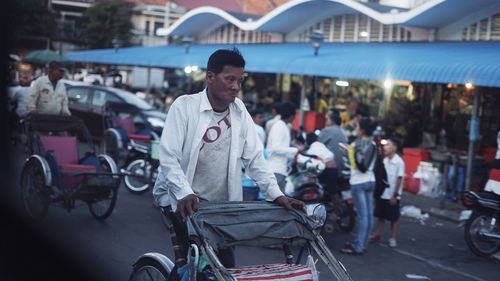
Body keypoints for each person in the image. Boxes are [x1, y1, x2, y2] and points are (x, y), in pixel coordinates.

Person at [152, 48, 304, 269]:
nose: (235, 86)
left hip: (220, 207)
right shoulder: (184, 106)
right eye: (230, 79)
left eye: (240, 81)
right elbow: (168, 157)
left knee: (226, 269)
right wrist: (184, 192)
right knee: (190, 264)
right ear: (210, 77)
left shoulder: (240, 111)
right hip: (181, 199)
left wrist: (276, 194)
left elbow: (254, 159)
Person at [340, 117, 377, 255]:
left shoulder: (357, 144)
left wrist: (348, 151)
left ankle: (358, 246)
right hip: (371, 181)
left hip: (358, 182)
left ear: (362, 130)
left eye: (357, 127)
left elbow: (354, 165)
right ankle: (363, 243)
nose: (355, 130)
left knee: (362, 216)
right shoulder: (373, 143)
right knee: (368, 215)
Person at [370, 137, 405, 248]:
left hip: (392, 194)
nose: (385, 147)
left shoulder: (399, 162)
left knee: (393, 218)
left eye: (388, 145)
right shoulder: (384, 160)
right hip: (383, 192)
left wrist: (395, 195)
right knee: (381, 215)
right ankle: (377, 234)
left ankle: (393, 238)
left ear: (395, 147)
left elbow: (399, 179)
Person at [267, 102, 302, 192]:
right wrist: (295, 150)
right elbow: (275, 148)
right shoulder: (279, 126)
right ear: (291, 116)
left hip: (280, 169)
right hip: (276, 169)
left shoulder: (283, 126)